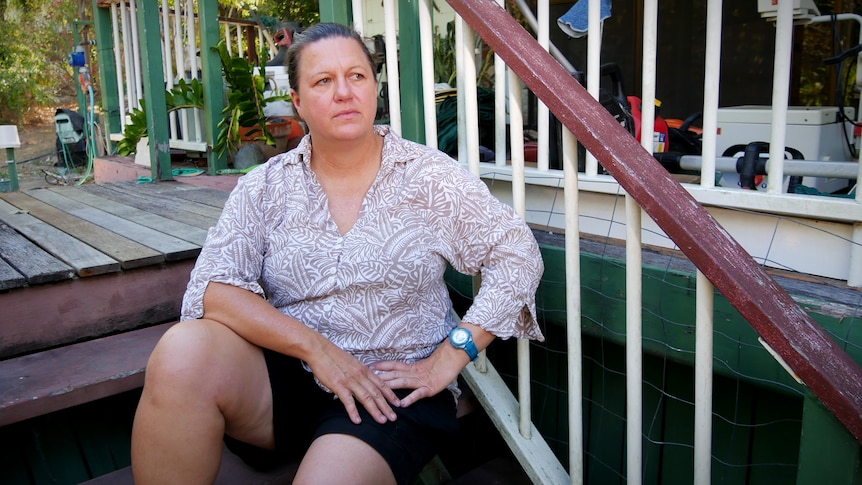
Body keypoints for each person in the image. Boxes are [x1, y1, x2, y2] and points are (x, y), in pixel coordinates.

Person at [131, 22, 544, 485]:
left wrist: (451, 355)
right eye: (323, 81)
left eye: (357, 76)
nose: (344, 92)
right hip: (289, 378)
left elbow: (517, 253)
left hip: (391, 389)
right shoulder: (265, 187)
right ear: (298, 101)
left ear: (374, 88)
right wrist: (319, 351)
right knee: (181, 351)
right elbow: (214, 290)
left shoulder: (428, 177)